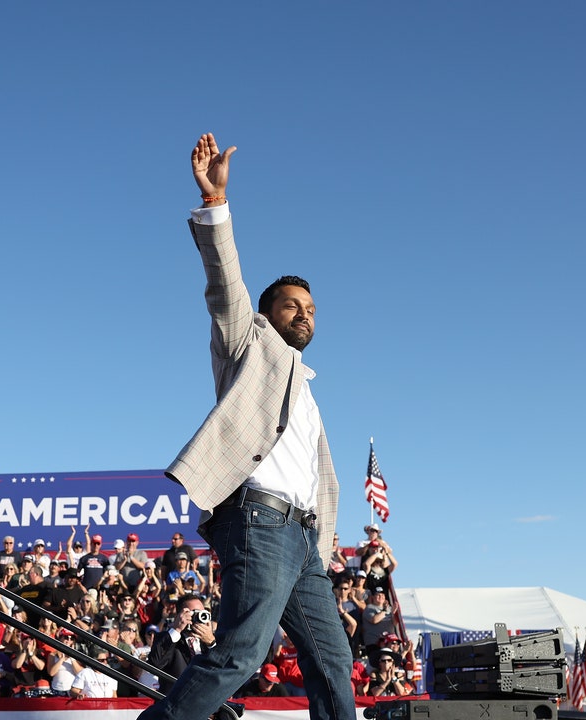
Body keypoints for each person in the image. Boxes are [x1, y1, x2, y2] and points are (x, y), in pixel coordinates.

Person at [136, 133, 354, 720]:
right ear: (266, 314)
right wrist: (216, 205)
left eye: (310, 309)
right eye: (292, 306)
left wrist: (325, 547)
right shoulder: (249, 344)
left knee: (333, 662)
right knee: (242, 651)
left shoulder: (306, 387)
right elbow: (225, 286)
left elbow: (318, 479)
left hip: (304, 539)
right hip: (259, 518)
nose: (304, 314)